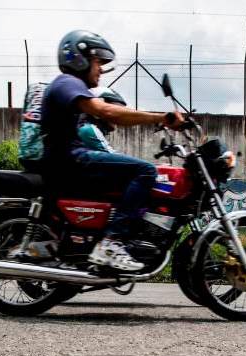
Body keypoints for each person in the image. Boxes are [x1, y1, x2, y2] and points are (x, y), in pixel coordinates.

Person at [41, 30, 184, 271]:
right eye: (98, 62)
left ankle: (113, 238)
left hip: (67, 158)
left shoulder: (71, 86)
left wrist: (157, 119)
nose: (101, 70)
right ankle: (112, 242)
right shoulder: (68, 83)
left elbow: (117, 118)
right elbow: (106, 111)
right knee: (146, 171)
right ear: (80, 59)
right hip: (70, 159)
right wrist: (161, 117)